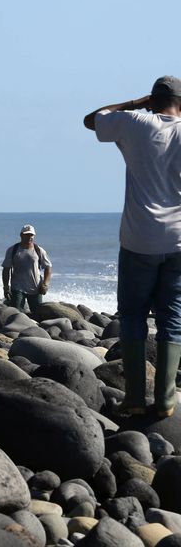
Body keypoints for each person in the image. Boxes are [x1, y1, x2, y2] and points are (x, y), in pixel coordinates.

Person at [84, 75, 181, 417]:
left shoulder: (135, 121)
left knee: (133, 316)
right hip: (179, 241)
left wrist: (134, 104)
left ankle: (137, 398)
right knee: (173, 317)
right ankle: (167, 400)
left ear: (152, 99)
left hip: (139, 239)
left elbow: (91, 120)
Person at [2, 224, 52, 313]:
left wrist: (45, 284)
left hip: (35, 288)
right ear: (21, 235)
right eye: (27, 234)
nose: (29, 237)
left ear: (34, 236)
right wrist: (6, 287)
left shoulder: (39, 250)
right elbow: (6, 269)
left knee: (37, 314)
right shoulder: (13, 250)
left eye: (31, 235)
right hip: (18, 287)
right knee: (16, 312)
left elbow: (48, 267)